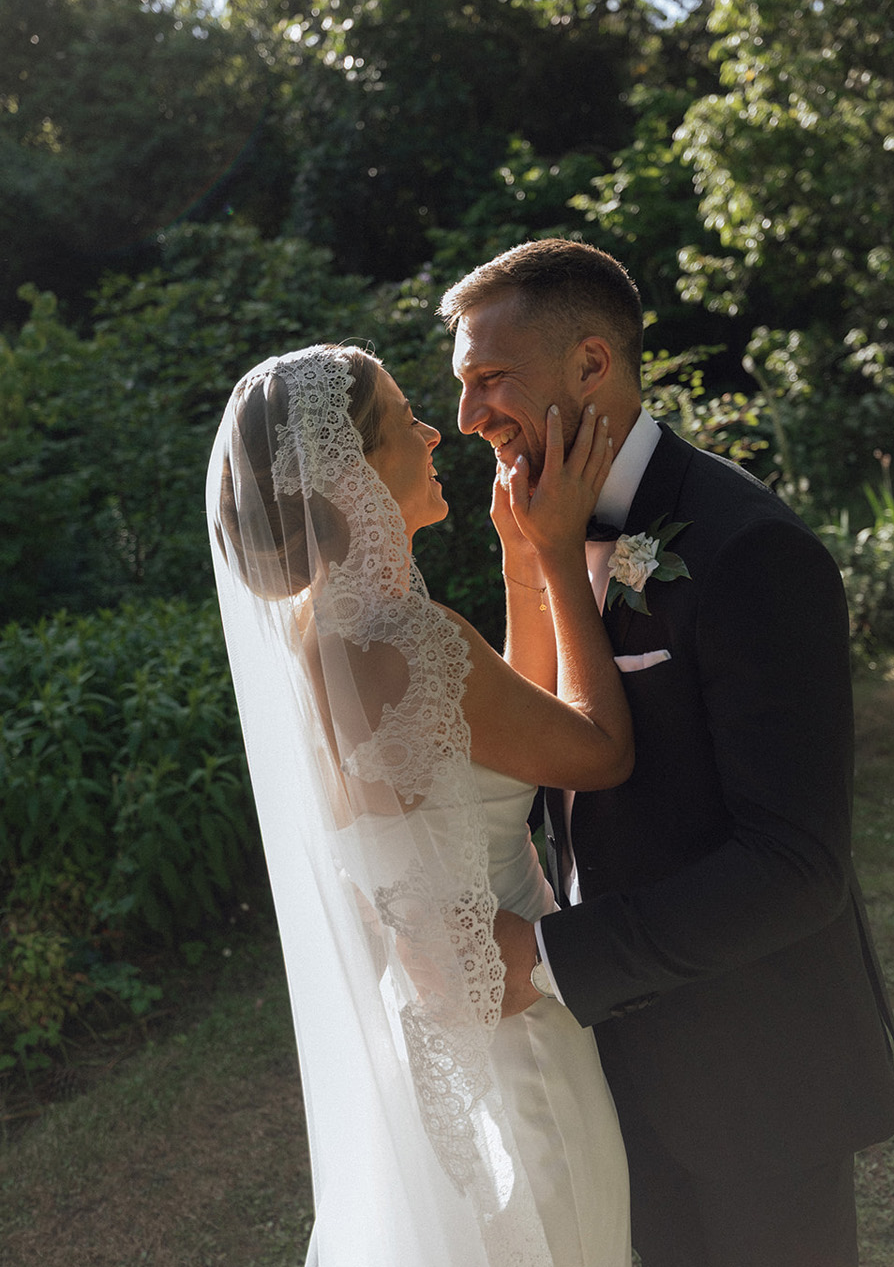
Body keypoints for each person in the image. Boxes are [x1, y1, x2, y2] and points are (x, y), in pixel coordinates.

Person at [439, 238, 894, 1267]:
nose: (469, 419)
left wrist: (554, 959)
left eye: (490, 381)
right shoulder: (543, 525)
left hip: (757, 1080)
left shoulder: (749, 552)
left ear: (593, 366)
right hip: (610, 1069)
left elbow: (795, 867)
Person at [206, 342, 635, 1267]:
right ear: (352, 474)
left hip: (436, 1036)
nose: (436, 431)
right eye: (407, 421)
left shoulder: (321, 635)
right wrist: (563, 560)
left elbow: (505, 728)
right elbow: (597, 751)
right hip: (522, 1036)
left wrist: (519, 568)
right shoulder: (408, 637)